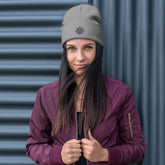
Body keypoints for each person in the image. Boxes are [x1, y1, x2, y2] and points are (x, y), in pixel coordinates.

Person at [26, 4, 145, 165]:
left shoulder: (120, 93)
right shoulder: (46, 95)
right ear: (65, 52)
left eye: (88, 47)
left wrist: (105, 154)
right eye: (72, 49)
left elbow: (137, 148)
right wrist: (57, 155)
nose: (80, 57)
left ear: (98, 50)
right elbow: (33, 146)